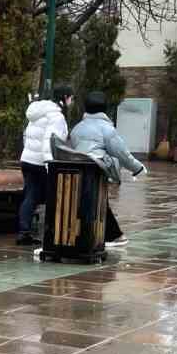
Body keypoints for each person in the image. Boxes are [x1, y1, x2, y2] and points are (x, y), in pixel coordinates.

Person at [68, 90, 146, 247]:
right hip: (98, 170)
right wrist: (137, 168)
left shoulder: (77, 128)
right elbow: (121, 153)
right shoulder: (107, 129)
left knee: (89, 202)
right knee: (100, 201)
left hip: (78, 170)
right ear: (105, 108)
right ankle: (114, 236)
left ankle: (96, 234)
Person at [16, 86, 74, 246]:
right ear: (65, 97)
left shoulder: (37, 112)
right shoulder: (56, 116)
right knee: (53, 197)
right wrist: (50, 165)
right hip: (42, 163)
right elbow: (50, 141)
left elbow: (26, 135)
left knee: (30, 197)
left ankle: (24, 232)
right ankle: (52, 233)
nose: (71, 101)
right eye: (71, 97)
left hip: (27, 160)